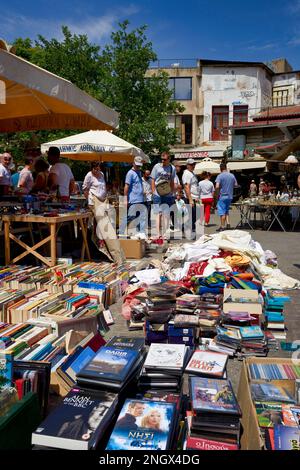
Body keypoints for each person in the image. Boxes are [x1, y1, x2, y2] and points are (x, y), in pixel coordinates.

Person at [83, 162, 125, 265]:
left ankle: (118, 255)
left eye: (98, 169)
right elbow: (85, 189)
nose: (97, 171)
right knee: (106, 229)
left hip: (102, 201)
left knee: (107, 228)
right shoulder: (89, 175)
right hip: (94, 202)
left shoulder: (101, 174)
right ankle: (117, 257)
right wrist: (89, 202)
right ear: (92, 169)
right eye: (95, 169)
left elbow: (103, 187)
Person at [151, 151, 176, 240]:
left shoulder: (172, 168)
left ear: (169, 159)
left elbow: (172, 181)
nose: (163, 161)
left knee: (166, 214)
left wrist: (172, 192)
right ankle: (158, 234)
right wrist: (153, 191)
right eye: (161, 159)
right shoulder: (156, 166)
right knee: (158, 213)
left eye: (164, 159)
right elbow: (153, 179)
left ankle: (165, 233)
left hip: (167, 193)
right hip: (157, 194)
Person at [119, 156, 147, 236]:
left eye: (139, 165)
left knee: (141, 217)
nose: (138, 166)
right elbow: (126, 186)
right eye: (137, 165)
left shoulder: (139, 172)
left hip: (141, 199)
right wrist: (125, 199)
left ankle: (140, 233)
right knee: (131, 216)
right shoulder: (130, 173)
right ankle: (121, 231)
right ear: (133, 163)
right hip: (133, 200)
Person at [215, 163, 238, 231]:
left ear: (220, 169)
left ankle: (222, 226)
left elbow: (217, 186)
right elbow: (236, 185)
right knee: (226, 210)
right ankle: (228, 224)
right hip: (230, 196)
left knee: (222, 212)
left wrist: (216, 194)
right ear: (226, 167)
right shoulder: (232, 175)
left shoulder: (220, 176)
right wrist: (230, 186)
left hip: (222, 196)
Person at [182, 158, 199, 234]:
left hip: (195, 197)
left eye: (194, 164)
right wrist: (190, 199)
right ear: (187, 165)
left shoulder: (192, 173)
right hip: (190, 198)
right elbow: (186, 187)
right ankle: (190, 230)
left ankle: (187, 228)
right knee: (192, 215)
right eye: (191, 164)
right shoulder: (187, 174)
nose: (193, 166)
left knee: (195, 215)